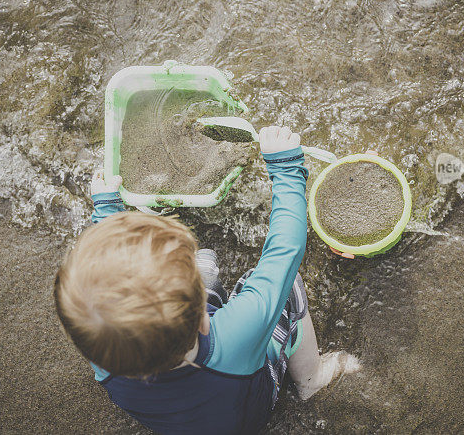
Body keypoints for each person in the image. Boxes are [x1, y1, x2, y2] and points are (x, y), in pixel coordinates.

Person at [54, 126, 360, 434]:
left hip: (191, 415)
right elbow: (285, 252)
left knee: (203, 264)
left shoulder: (103, 351)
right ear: (203, 321)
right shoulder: (237, 333)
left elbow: (107, 289)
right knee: (287, 286)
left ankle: (200, 273)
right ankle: (312, 379)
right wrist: (286, 167)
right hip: (251, 408)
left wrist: (107, 215)